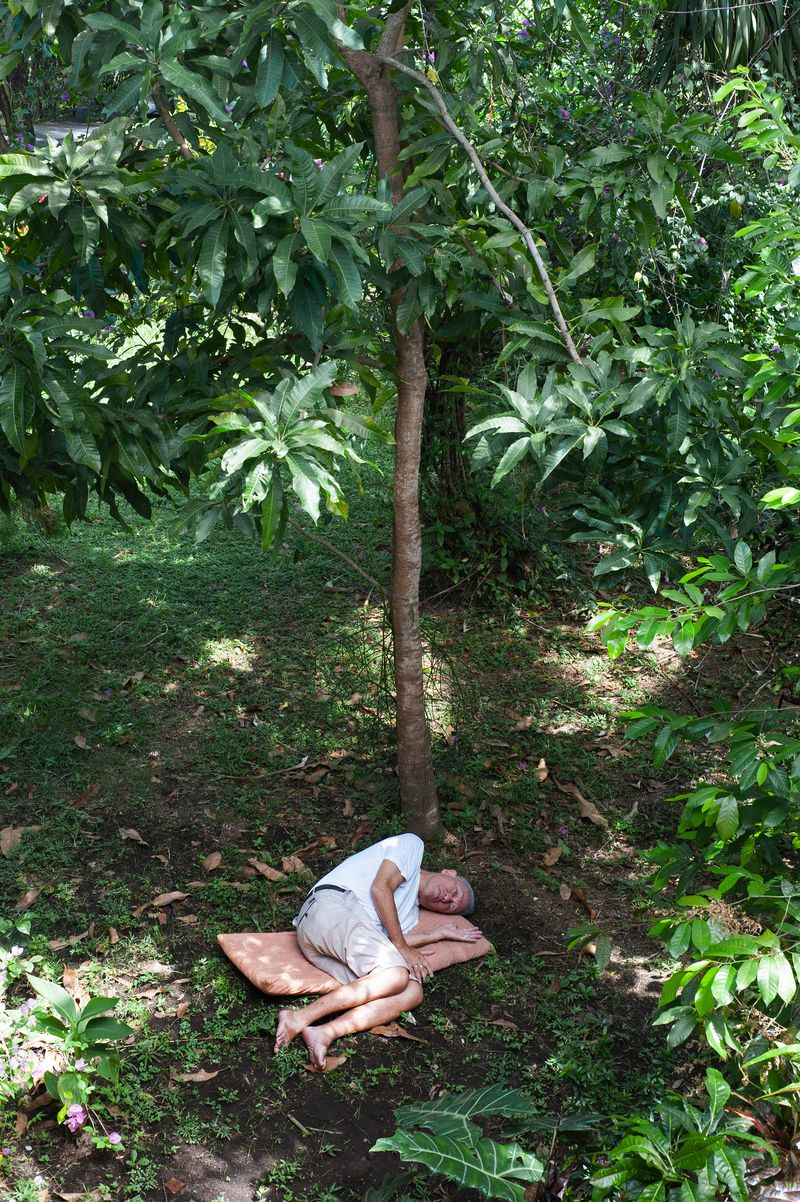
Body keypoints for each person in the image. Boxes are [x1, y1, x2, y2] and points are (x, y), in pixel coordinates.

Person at [273, 832, 480, 1069]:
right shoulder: (412, 846)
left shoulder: (408, 915)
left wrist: (437, 934)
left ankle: (324, 1032)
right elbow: (380, 889)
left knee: (412, 991)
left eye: (450, 906)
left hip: (327, 942)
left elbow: (379, 943)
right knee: (395, 973)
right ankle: (296, 1018)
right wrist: (402, 947)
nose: (447, 899)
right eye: (454, 891)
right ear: (449, 873)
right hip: (329, 907)